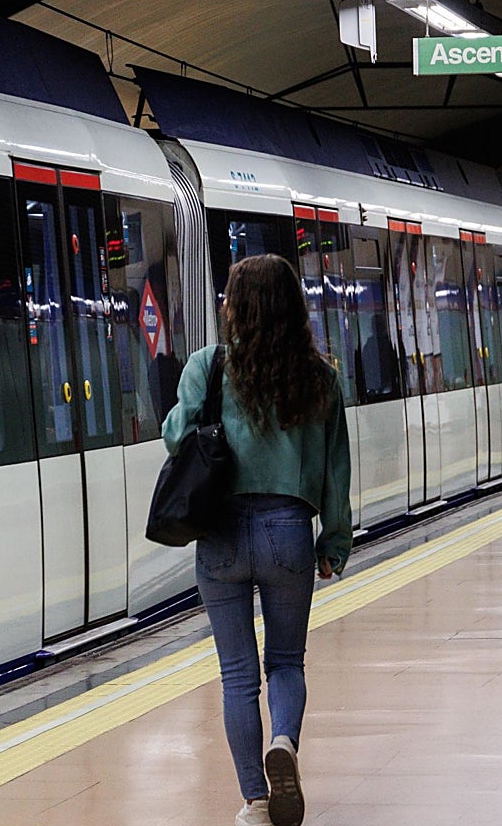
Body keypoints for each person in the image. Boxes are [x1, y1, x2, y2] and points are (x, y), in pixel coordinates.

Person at [161, 254, 352, 826]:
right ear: (293, 307)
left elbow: (175, 437)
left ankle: (255, 801)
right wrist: (333, 543)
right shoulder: (321, 377)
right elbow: (336, 470)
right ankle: (285, 743)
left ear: (236, 307)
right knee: (287, 662)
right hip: (288, 530)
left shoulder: (208, 366)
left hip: (219, 533)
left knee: (238, 673)